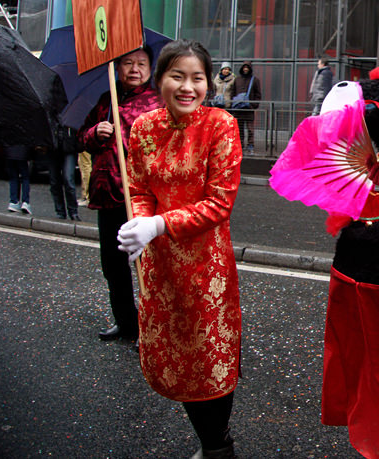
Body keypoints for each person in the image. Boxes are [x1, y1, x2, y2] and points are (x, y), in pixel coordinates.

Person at [117, 39, 242, 458]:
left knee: (209, 358)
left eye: (197, 78)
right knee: (178, 355)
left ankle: (217, 445)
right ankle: (210, 442)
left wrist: (156, 224)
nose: (188, 87)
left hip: (207, 268)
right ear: (160, 80)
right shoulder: (143, 128)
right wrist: (138, 221)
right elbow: (138, 187)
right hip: (159, 266)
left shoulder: (221, 125)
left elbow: (219, 203)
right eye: (178, 76)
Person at [78, 46, 164, 342]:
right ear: (118, 67)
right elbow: (81, 138)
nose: (134, 69)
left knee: (146, 265)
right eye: (128, 63)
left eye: (141, 63)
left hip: (142, 199)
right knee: (113, 266)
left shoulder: (157, 102)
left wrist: (124, 135)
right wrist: (95, 133)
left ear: (151, 68)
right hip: (107, 195)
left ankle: (154, 328)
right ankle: (126, 323)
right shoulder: (106, 100)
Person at [48, 125, 80, 220]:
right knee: (54, 182)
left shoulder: (71, 113)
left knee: (68, 179)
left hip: (69, 146)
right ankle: (60, 211)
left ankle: (73, 211)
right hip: (53, 147)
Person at [231, 61, 262, 155]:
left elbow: (258, 94)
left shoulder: (255, 80)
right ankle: (240, 145)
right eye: (244, 67)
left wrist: (254, 105)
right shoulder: (237, 79)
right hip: (238, 109)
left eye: (247, 67)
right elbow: (233, 92)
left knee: (250, 128)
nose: (245, 69)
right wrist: (234, 103)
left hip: (249, 108)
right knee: (239, 128)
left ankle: (250, 145)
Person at [5, 145, 31, 213]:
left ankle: (14, 202)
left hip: (9, 152)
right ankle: (25, 202)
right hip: (23, 152)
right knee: (25, 178)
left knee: (13, 178)